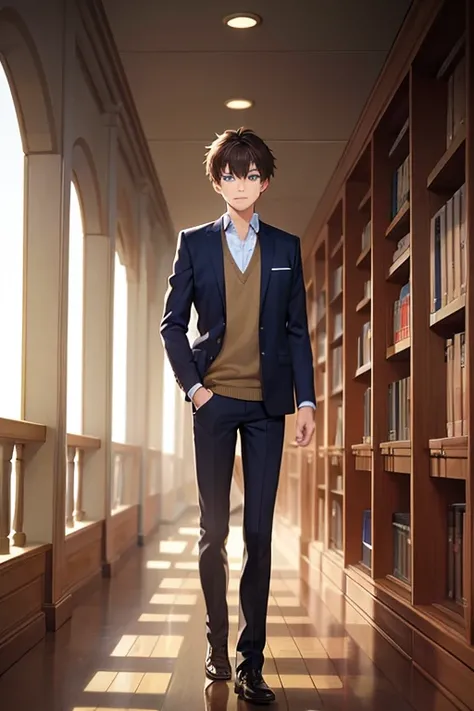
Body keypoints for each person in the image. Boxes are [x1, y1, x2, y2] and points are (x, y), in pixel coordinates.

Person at [160, 127, 315, 704]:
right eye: (231, 173)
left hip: (269, 407)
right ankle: (217, 646)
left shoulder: (285, 247)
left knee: (257, 533)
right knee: (214, 531)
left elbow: (297, 330)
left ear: (265, 182)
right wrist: (195, 388)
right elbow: (172, 324)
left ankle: (252, 662)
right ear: (218, 179)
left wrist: (306, 401)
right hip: (216, 403)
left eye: (252, 174)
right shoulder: (195, 243)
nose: (242, 183)